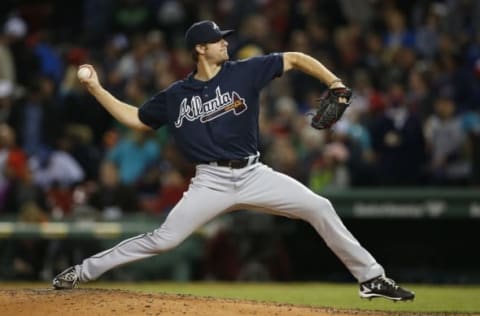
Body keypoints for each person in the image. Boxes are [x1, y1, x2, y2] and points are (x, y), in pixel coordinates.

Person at [53, 20, 414, 301]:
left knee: (319, 207)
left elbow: (296, 58)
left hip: (255, 173)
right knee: (164, 239)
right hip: (210, 182)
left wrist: (335, 82)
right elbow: (135, 118)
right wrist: (97, 89)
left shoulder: (244, 71)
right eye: (218, 39)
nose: (226, 42)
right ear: (199, 48)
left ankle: (371, 278)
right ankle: (83, 272)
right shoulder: (176, 95)